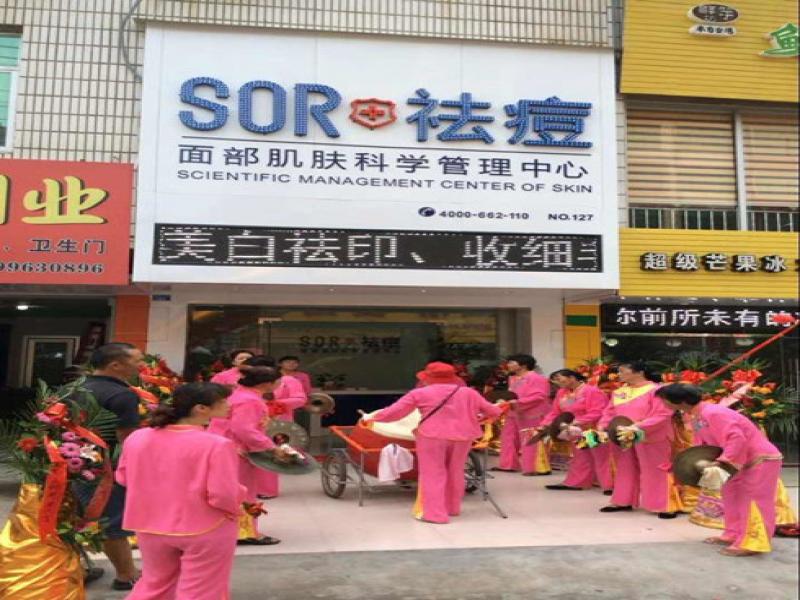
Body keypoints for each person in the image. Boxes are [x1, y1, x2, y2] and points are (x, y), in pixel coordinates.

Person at [116, 383, 245, 599]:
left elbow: (123, 477)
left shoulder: (138, 437)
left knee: (155, 584)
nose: (229, 405)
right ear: (200, 409)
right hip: (205, 525)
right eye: (223, 401)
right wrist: (238, 502)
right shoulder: (217, 444)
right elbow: (223, 494)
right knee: (202, 590)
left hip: (149, 524)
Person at [364, 362, 502, 524]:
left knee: (433, 473)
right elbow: (494, 411)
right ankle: (452, 508)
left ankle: (435, 514)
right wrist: (477, 417)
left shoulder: (420, 393)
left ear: (428, 377)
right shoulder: (469, 393)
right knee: (456, 471)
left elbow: (395, 412)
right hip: (463, 436)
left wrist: (372, 418)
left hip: (432, 436)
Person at [656, 383, 784, 556]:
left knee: (752, 500)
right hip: (735, 462)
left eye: (665, 400)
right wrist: (682, 463)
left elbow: (736, 438)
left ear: (681, 401)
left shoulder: (713, 413)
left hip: (759, 460)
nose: (663, 404)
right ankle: (733, 534)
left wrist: (723, 460)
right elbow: (701, 446)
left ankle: (753, 542)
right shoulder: (696, 415)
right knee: (732, 498)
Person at [76, 342, 144, 591]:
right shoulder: (122, 395)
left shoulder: (74, 387)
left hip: (72, 462)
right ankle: (127, 575)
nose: (142, 366)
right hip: (105, 468)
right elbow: (128, 439)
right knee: (112, 522)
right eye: (137, 361)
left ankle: (77, 568)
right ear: (116, 365)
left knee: (72, 518)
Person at [207, 366, 286, 544]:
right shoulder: (250, 401)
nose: (280, 384)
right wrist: (271, 447)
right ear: (267, 384)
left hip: (224, 446)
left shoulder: (238, 395)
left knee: (228, 489)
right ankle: (245, 532)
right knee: (243, 491)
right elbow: (244, 429)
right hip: (235, 450)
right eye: (278, 381)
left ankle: (228, 529)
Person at [597, 361, 683, 519]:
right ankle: (622, 501)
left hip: (651, 435)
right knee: (624, 467)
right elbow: (609, 412)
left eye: (623, 371)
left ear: (639, 372)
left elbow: (662, 414)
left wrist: (637, 427)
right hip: (622, 434)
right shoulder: (619, 392)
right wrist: (602, 426)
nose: (619, 374)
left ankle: (664, 505)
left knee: (656, 469)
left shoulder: (656, 390)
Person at [539, 369, 612, 493]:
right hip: (574, 430)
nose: (556, 382)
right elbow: (556, 412)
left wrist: (578, 421)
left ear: (572, 377)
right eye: (554, 380)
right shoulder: (562, 392)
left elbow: (598, 411)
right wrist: (544, 424)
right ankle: (577, 482)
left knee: (601, 457)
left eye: (559, 378)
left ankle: (609, 486)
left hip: (593, 428)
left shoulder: (591, 391)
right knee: (580, 456)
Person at [492, 354, 551, 476]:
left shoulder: (537, 378)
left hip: (531, 413)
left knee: (530, 439)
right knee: (508, 438)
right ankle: (508, 465)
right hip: (514, 412)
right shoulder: (513, 378)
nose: (508, 365)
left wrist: (517, 402)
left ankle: (534, 467)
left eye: (511, 362)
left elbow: (539, 396)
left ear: (523, 365)